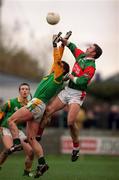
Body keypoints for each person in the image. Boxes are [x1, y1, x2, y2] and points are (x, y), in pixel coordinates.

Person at [7, 31, 71, 178]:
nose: (56, 64)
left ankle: (16, 143)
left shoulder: (58, 76)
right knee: (31, 139)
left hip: (35, 104)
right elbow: (58, 59)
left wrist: (55, 44)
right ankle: (42, 163)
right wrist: (63, 43)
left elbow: (57, 59)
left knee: (11, 120)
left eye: (59, 65)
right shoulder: (54, 75)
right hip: (39, 108)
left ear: (62, 70)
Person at [39, 37, 103, 162]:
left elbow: (82, 81)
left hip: (77, 94)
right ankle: (38, 136)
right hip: (67, 90)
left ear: (93, 53)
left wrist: (70, 76)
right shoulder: (81, 56)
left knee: (70, 122)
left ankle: (76, 147)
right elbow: (72, 46)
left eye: (90, 48)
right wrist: (62, 39)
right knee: (48, 111)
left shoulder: (91, 66)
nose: (88, 47)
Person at [0, 83, 34, 177]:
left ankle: (27, 173)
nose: (24, 91)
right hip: (6, 128)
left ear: (29, 91)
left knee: (31, 152)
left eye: (27, 89)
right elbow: (1, 113)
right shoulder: (11, 102)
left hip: (18, 131)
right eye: (22, 89)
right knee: (9, 148)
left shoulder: (29, 105)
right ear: (19, 91)